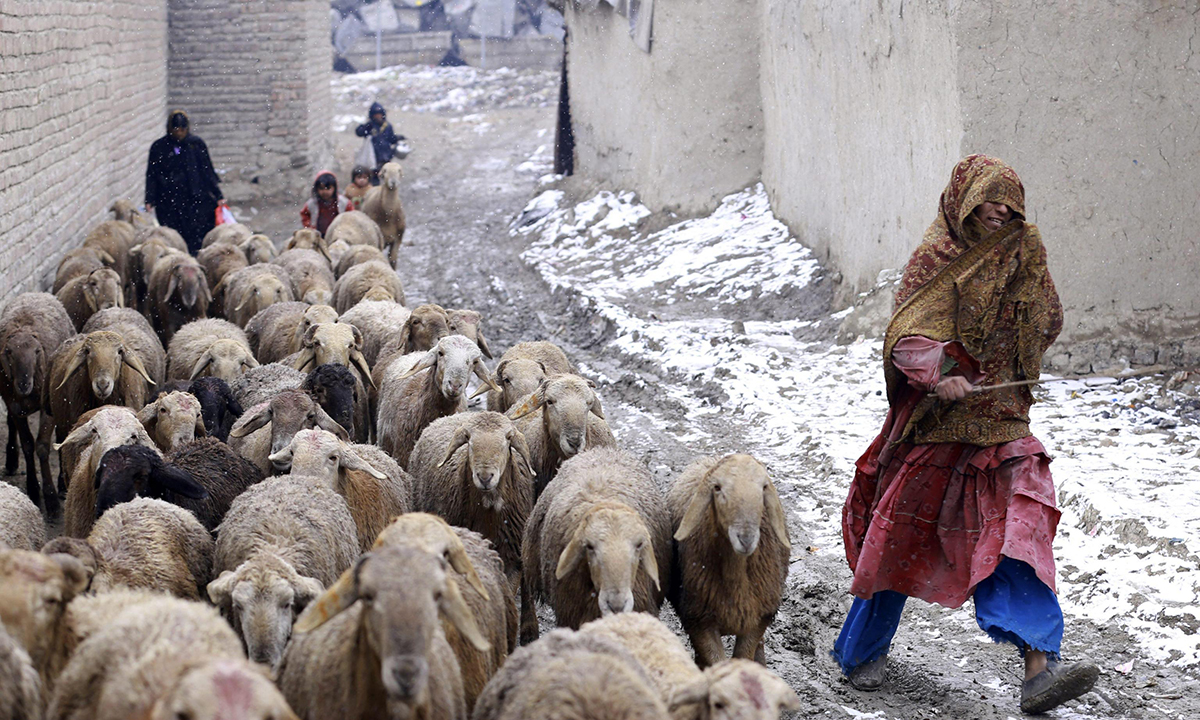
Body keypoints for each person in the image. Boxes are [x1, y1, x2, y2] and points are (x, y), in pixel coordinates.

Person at [832, 155, 1099, 715]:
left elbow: (1047, 320)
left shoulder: (1024, 252)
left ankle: (1039, 666)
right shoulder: (937, 257)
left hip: (1003, 425)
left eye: (1009, 201)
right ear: (964, 200)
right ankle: (861, 653)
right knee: (900, 543)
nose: (1000, 210)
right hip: (938, 430)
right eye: (988, 199)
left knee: (1017, 538)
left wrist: (1019, 321)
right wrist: (941, 373)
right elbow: (907, 335)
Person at [145, 110, 223, 255]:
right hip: (169, 201)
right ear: (170, 128)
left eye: (182, 129)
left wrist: (218, 195)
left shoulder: (196, 144)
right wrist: (150, 198)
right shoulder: (160, 147)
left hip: (195, 199)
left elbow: (207, 170)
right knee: (174, 236)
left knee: (197, 234)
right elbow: (152, 174)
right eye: (176, 129)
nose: (179, 133)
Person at [355, 102, 404, 183]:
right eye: (376, 115)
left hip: (385, 156)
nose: (378, 117)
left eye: (379, 114)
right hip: (374, 158)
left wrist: (397, 138)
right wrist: (367, 126)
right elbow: (359, 132)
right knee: (374, 179)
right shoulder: (370, 126)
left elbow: (391, 139)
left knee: (387, 178)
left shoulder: (387, 126)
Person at [300, 171, 352, 237]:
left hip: (338, 235)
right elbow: (304, 215)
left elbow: (351, 216)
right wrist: (309, 227)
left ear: (334, 188)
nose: (325, 191)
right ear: (316, 189)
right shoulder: (312, 204)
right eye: (321, 188)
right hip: (317, 235)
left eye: (328, 188)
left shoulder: (343, 202)